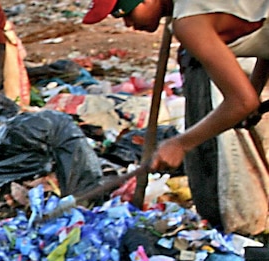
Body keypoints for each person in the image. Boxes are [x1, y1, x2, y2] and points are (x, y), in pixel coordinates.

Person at [82, 0, 269, 174]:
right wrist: (255, 88)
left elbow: (242, 102)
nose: (128, 23)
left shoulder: (189, 22)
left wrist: (180, 144)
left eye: (125, 13)